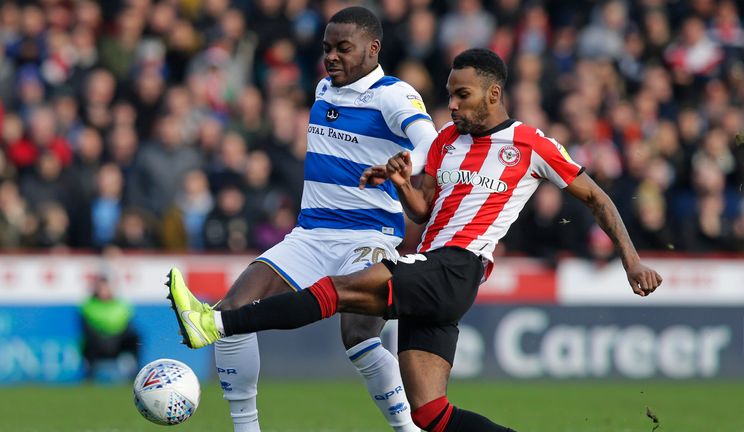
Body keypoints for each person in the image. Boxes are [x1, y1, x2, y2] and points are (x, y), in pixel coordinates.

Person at [169, 49, 663, 431]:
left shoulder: (531, 144)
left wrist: (632, 261)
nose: (451, 104)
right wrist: (404, 186)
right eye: (450, 93)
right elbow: (425, 213)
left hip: (457, 266)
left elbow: (597, 198)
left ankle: (217, 323)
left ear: (494, 94)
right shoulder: (447, 141)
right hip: (432, 263)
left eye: (462, 95)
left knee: (337, 292)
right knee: (432, 415)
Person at [174, 6, 437, 432]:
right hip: (311, 235)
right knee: (232, 311)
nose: (331, 56)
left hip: (367, 236)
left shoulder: (394, 93)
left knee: (358, 337)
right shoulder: (324, 89)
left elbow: (430, 139)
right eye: (326, 47)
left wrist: (402, 166)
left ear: (373, 49)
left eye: (342, 48)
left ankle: (407, 429)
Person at [80, 272, 140, 382]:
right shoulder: (89, 305)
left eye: (106, 287)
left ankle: (135, 373)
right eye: (101, 288)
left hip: (118, 341)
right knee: (89, 341)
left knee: (135, 337)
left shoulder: (121, 305)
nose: (104, 291)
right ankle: (89, 375)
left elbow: (127, 325)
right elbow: (87, 328)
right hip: (97, 342)